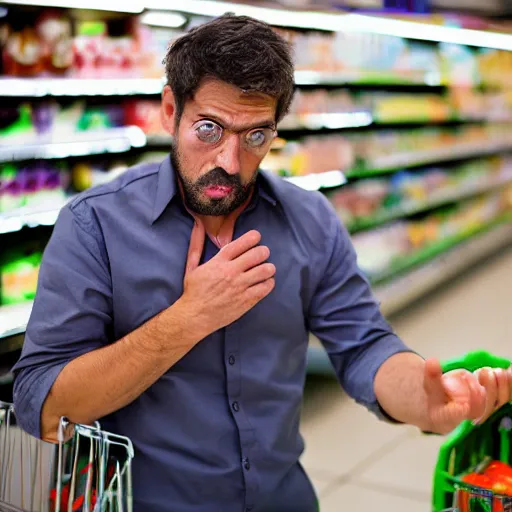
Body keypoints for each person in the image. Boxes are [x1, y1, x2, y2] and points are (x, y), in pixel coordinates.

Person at [12, 14, 512, 512]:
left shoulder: (309, 219)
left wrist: (425, 401)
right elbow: (43, 404)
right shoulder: (94, 225)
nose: (230, 161)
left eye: (255, 136)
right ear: (170, 109)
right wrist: (188, 320)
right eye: (209, 128)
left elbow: (363, 345)